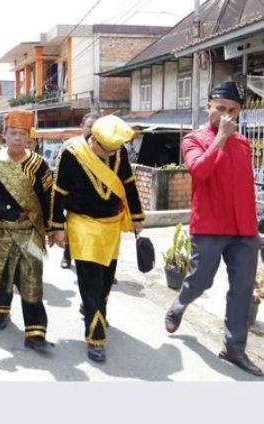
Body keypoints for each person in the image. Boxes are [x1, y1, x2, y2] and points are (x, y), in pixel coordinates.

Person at [164, 81, 263, 377]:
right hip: (210, 225)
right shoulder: (194, 139)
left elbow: (246, 188)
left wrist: (254, 230)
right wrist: (220, 138)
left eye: (233, 111)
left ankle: (233, 348)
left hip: (242, 230)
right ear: (209, 106)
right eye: (220, 109)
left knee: (243, 289)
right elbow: (199, 172)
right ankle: (180, 303)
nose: (226, 116)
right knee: (200, 281)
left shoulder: (244, 144)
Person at [49, 114, 145, 363]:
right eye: (108, 150)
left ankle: (92, 308)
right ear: (94, 140)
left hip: (111, 225)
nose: (112, 154)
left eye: (116, 149)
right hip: (82, 224)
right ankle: (95, 336)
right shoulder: (72, 153)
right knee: (90, 280)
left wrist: (136, 216)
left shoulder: (118, 151)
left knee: (105, 278)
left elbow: (128, 183)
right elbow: (58, 191)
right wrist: (57, 226)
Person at [0, 110, 53, 350]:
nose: (17, 138)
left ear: (29, 137)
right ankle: (2, 312)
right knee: (3, 276)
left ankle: (35, 333)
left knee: (33, 279)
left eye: (22, 134)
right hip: (1, 231)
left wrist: (51, 229)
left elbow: (48, 197)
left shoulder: (39, 164)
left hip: (30, 232)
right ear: (4, 136)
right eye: (12, 133)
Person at [57, 112, 100, 270]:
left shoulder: (108, 146)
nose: (93, 130)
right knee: (73, 230)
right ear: (82, 127)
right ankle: (67, 256)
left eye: (97, 127)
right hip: (75, 196)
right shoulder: (71, 145)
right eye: (89, 126)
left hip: (99, 198)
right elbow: (60, 171)